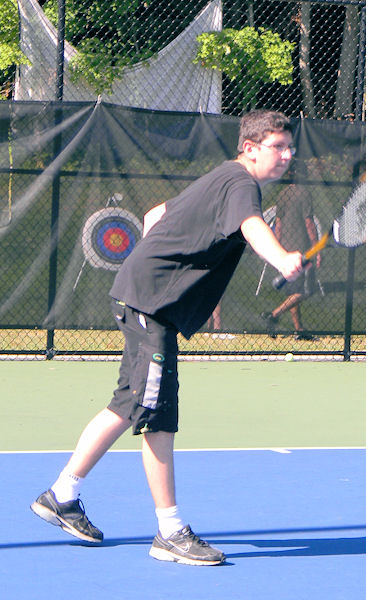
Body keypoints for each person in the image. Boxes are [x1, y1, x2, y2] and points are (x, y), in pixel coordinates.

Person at [30, 109, 304, 566]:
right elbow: (252, 226)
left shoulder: (222, 177)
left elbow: (155, 213)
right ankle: (170, 532)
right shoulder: (241, 183)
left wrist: (155, 259)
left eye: (290, 147)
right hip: (150, 306)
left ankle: (62, 495)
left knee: (130, 404)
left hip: (143, 298)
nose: (287, 154)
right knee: (156, 414)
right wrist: (280, 258)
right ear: (250, 148)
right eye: (278, 146)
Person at [261, 181, 321, 340]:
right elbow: (309, 223)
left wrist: (278, 247)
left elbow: (278, 224)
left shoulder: (283, 193)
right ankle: (273, 315)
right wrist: (316, 247)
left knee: (294, 290)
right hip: (302, 249)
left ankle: (298, 329)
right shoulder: (304, 193)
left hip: (286, 248)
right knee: (307, 289)